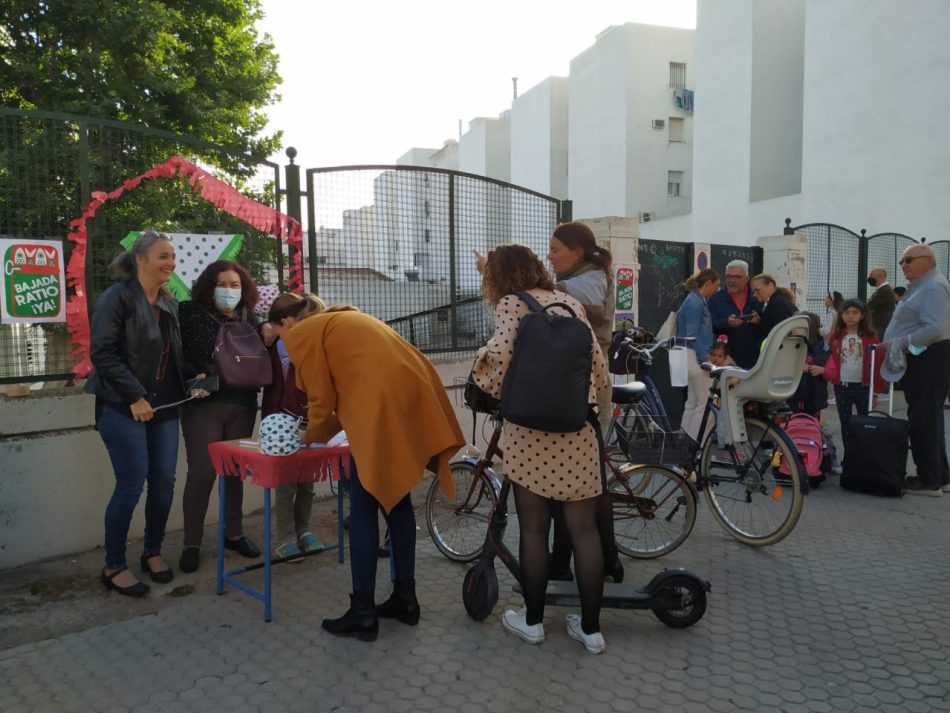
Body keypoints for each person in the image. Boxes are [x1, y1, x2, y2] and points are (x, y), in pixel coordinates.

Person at [283, 303, 465, 641]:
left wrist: (311, 435)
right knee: (396, 501)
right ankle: (405, 600)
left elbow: (322, 399)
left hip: (382, 406)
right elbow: (348, 394)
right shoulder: (342, 322)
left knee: (364, 509)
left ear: (286, 323)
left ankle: (363, 612)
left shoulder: (301, 334)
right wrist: (323, 428)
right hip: (410, 394)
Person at [472, 244, 611, 655]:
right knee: (584, 531)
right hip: (577, 430)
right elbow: (599, 372)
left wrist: (479, 372)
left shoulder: (513, 305)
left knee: (533, 529)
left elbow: (497, 364)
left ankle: (531, 622)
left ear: (498, 279)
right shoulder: (570, 303)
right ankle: (591, 630)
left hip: (529, 435)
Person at [86, 231, 206, 596]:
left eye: (172, 256)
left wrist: (192, 380)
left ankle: (152, 552)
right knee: (131, 485)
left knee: (164, 482)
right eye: (162, 256)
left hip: (164, 405)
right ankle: (114, 565)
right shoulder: (118, 298)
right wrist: (135, 396)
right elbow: (103, 353)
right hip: (122, 407)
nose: (170, 262)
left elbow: (173, 356)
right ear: (139, 259)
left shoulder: (168, 301)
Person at [542, 221, 623, 584]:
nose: (549, 255)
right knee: (586, 481)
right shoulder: (588, 277)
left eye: (555, 249)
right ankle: (601, 561)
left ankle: (585, 563)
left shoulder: (581, 285)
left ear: (577, 252)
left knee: (580, 485)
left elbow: (550, 300)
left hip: (585, 388)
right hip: (586, 385)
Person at [178, 261, 265, 573]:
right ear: (208, 285)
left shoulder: (250, 319)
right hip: (203, 405)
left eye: (235, 285)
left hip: (242, 403)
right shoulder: (188, 312)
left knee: (233, 473)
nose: (229, 290)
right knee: (201, 474)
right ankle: (192, 542)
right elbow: (179, 354)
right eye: (222, 284)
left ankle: (233, 534)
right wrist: (193, 374)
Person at [880, 244, 950, 496]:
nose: (903, 265)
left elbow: (935, 329)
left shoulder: (932, 287)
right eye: (902, 261)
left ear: (928, 260)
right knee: (929, 418)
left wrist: (899, 343)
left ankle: (928, 480)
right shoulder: (922, 286)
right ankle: (940, 476)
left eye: (909, 260)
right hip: (922, 360)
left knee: (923, 420)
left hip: (928, 360)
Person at [263, 292, 327, 559]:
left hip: (311, 419)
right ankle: (285, 536)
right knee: (286, 483)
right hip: (284, 420)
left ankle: (303, 529)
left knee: (307, 481)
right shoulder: (279, 344)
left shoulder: (308, 341)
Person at [821, 299, 883, 445]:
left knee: (865, 424)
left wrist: (875, 392)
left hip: (864, 387)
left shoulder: (871, 338)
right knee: (846, 424)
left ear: (862, 315)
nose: (850, 316)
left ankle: (862, 456)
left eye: (855, 312)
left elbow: (877, 364)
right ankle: (849, 458)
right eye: (847, 312)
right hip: (842, 387)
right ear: (841, 315)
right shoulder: (836, 338)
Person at [676, 268, 720, 441]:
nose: (717, 289)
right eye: (716, 286)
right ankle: (697, 445)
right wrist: (706, 359)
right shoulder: (696, 302)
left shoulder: (692, 300)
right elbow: (692, 335)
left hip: (686, 356)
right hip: (695, 356)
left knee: (692, 403)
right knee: (703, 404)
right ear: (708, 283)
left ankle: (684, 442)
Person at [708, 259, 762, 369]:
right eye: (728, 276)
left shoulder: (757, 297)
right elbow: (709, 326)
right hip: (726, 360)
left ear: (747, 279)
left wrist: (759, 321)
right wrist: (727, 323)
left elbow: (771, 323)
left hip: (755, 358)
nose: (732, 280)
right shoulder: (716, 299)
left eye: (737, 277)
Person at [787, 312, 830, 417]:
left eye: (798, 326)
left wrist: (821, 370)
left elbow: (829, 368)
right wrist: (798, 367)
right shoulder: (790, 344)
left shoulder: (822, 347)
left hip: (815, 395)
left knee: (812, 422)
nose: (792, 328)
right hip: (795, 394)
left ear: (809, 328)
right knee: (795, 421)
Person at [866, 266, 897, 336]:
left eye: (871, 276)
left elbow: (868, 306)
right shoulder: (882, 290)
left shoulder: (884, 291)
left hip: (880, 328)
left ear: (880, 276)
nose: (869, 278)